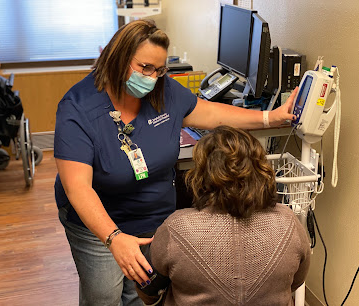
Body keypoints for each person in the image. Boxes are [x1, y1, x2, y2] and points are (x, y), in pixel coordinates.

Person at [54, 19, 298, 306]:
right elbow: (78, 188)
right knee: (104, 297)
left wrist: (272, 117)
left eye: (159, 70)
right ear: (118, 59)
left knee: (141, 295)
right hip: (100, 226)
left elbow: (212, 114)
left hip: (155, 219)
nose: (152, 77)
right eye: (145, 68)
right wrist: (114, 238)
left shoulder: (163, 90)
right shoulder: (78, 107)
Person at [136, 126, 311, 306]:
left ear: (200, 174)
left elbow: (149, 292)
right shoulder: (288, 221)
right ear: (260, 169)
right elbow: (295, 281)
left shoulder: (176, 227)